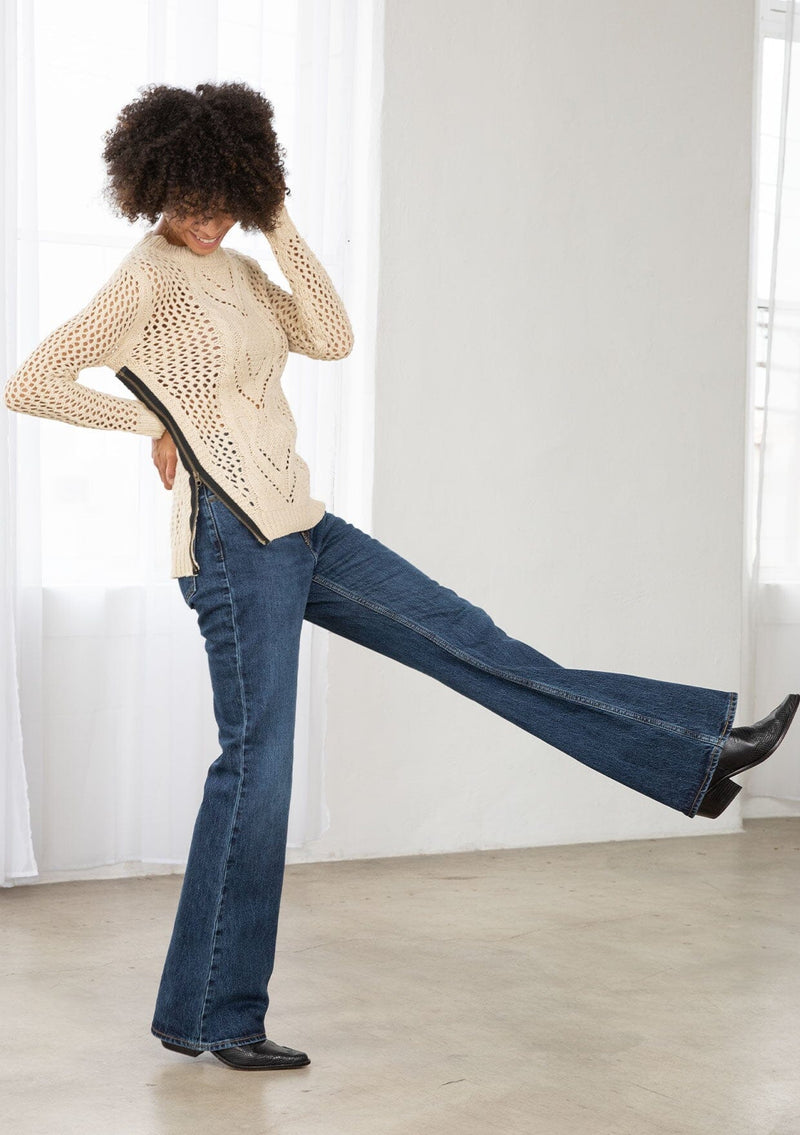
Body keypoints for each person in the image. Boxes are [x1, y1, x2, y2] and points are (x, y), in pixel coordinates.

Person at [4, 80, 798, 1074]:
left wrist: (276, 214)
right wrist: (154, 424)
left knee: (470, 643)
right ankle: (212, 1012)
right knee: (256, 768)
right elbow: (30, 381)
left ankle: (693, 749)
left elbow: (329, 336)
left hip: (303, 527)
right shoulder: (144, 280)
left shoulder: (243, 264)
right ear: (152, 190)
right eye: (188, 203)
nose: (203, 223)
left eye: (222, 200)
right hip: (231, 544)